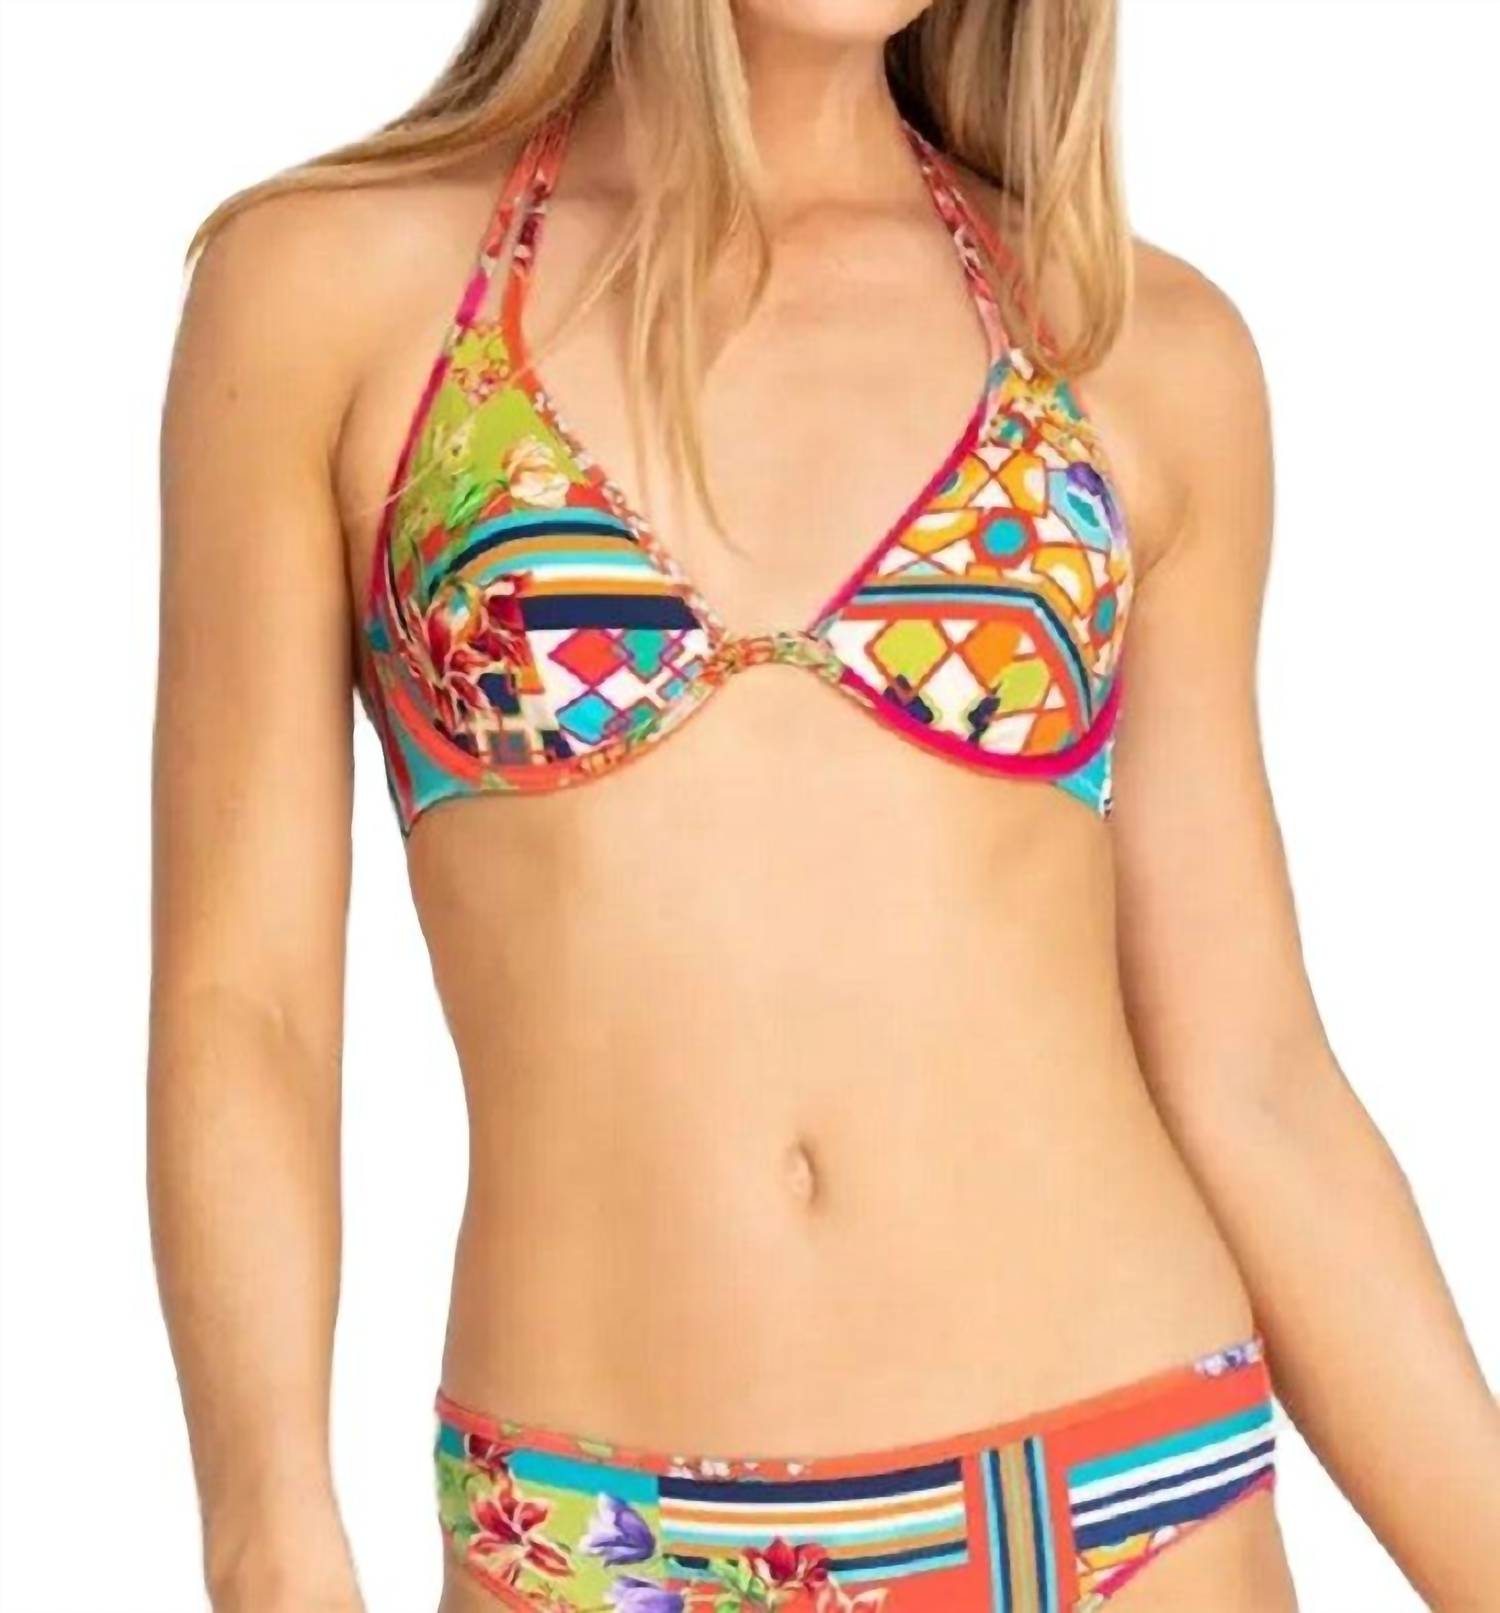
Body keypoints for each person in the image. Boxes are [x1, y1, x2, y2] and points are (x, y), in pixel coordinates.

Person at [148, 3, 1500, 1610]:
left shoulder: (1123, 342)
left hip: (1115, 1505)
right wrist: (265, 1519)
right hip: (597, 1546)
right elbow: (247, 1000)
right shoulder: (328, 292)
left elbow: (1254, 1075)